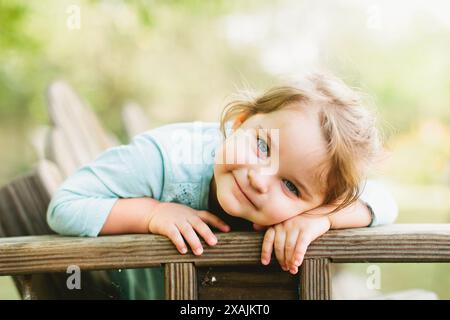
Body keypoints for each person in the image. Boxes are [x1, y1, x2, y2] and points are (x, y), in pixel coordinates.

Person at [47, 72, 398, 299]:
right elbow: (65, 206)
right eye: (262, 146)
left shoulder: (316, 208)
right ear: (240, 121)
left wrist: (323, 219)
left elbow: (384, 201)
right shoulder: (165, 158)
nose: (260, 179)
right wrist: (152, 214)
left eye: (291, 187)